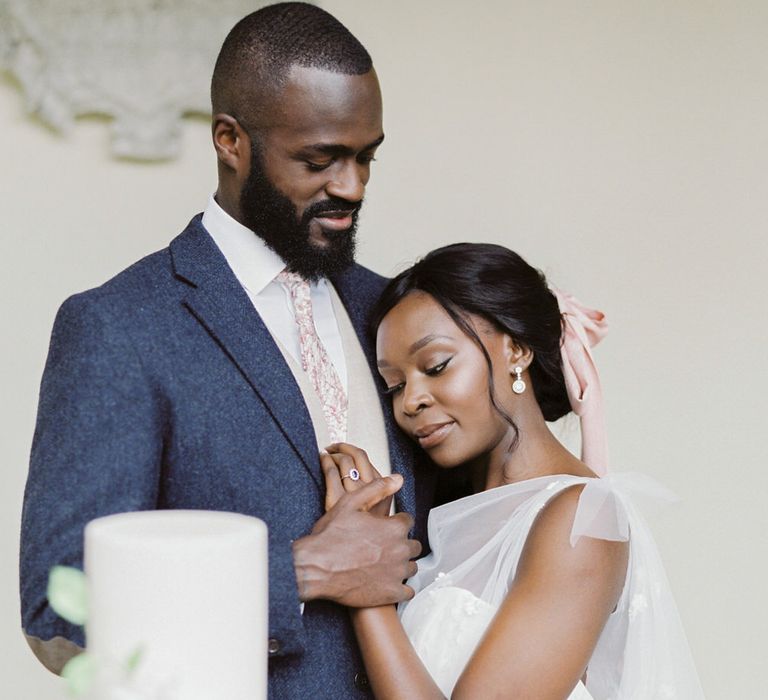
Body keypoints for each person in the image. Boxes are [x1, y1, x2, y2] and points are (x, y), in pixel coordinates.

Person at [20, 4, 429, 697]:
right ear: (230, 140)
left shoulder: (394, 309)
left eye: (366, 157)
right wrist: (299, 572)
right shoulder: (120, 327)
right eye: (319, 159)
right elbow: (58, 606)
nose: (351, 187)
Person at [321, 243, 705, 699]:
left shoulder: (584, 520)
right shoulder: (441, 514)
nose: (410, 401)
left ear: (517, 350)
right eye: (395, 386)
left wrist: (369, 595)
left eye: (436, 366)